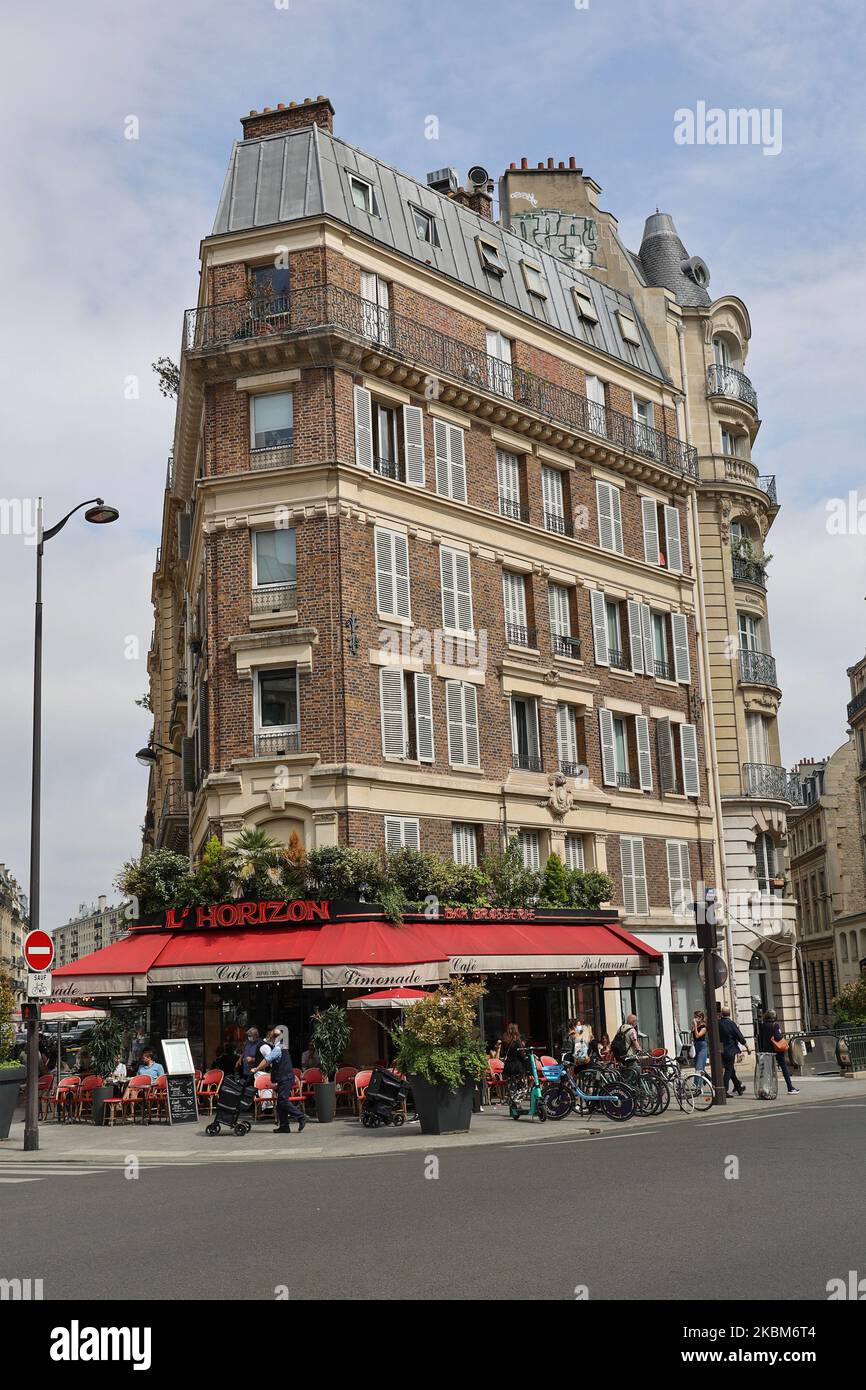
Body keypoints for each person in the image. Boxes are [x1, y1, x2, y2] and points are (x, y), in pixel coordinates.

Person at [253, 1026, 306, 1134]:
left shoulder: (278, 1048)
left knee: (282, 1100)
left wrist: (257, 1068)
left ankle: (300, 1116)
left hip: (285, 1078)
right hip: (284, 1078)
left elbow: (267, 1060)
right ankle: (284, 1126)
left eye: (272, 1037)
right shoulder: (282, 1046)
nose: (270, 1040)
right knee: (280, 1102)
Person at [758, 1010, 799, 1094]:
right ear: (774, 1017)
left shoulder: (762, 1025)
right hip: (777, 1050)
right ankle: (790, 1088)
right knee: (784, 1067)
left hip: (767, 1050)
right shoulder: (775, 1025)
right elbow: (778, 1037)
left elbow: (760, 1038)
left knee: (768, 1070)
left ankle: (767, 1089)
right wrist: (781, 1036)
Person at [718, 1006, 750, 1096]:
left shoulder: (718, 1023)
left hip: (721, 1050)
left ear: (721, 1013)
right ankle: (724, 1090)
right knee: (729, 1070)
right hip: (730, 1050)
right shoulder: (731, 1023)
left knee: (731, 1069)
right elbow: (739, 1036)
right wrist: (747, 1047)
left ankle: (738, 1087)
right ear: (730, 1013)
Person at [691, 1009, 709, 1075]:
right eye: (694, 1017)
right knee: (697, 1067)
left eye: (696, 1017)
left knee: (699, 1067)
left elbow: (697, 1036)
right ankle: (708, 1080)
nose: (694, 1019)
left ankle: (697, 1084)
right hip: (696, 1046)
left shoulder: (703, 1027)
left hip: (702, 1047)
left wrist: (695, 1026)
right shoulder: (695, 1026)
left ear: (700, 1018)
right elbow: (693, 1037)